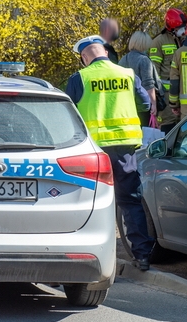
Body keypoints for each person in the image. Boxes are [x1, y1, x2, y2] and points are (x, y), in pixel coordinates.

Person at [65, 35, 154, 271]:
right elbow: (146, 105)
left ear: (85, 57)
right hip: (125, 149)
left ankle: (81, 255)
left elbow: (67, 114)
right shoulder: (127, 75)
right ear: (105, 51)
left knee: (87, 202)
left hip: (92, 152)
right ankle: (142, 256)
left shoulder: (80, 78)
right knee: (130, 201)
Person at [149, 8, 187, 132]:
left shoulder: (184, 41)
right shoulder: (158, 43)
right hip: (166, 93)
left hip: (182, 91)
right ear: (171, 28)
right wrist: (158, 94)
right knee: (169, 123)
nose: (183, 30)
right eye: (180, 27)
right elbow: (154, 70)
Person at [119, 31, 157, 127]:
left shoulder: (123, 60)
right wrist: (154, 103)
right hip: (142, 105)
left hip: (126, 105)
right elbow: (148, 84)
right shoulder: (144, 60)